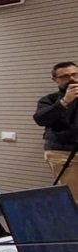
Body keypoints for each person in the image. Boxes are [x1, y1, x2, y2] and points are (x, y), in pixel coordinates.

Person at [34, 61, 78, 199]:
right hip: (62, 153)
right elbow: (41, 119)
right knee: (73, 197)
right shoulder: (49, 99)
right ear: (55, 80)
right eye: (65, 76)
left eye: (75, 74)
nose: (71, 79)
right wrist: (65, 101)